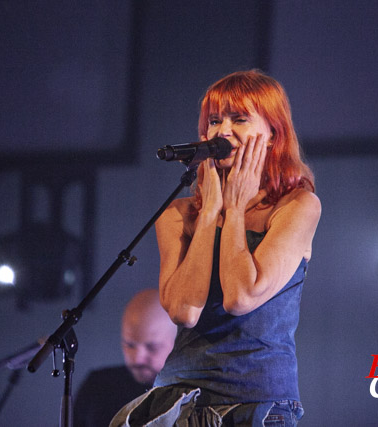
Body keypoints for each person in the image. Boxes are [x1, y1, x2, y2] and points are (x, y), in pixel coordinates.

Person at [110, 70, 321, 426]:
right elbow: (183, 311)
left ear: (272, 134)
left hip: (255, 402)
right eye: (214, 121)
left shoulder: (297, 206)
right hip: (178, 398)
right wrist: (211, 211)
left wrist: (235, 209)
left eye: (239, 119)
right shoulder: (179, 214)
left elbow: (240, 297)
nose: (222, 131)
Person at [73, 288, 177, 427]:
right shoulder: (98, 386)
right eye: (129, 345)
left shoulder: (191, 395)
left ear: (177, 342)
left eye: (152, 347)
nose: (137, 359)